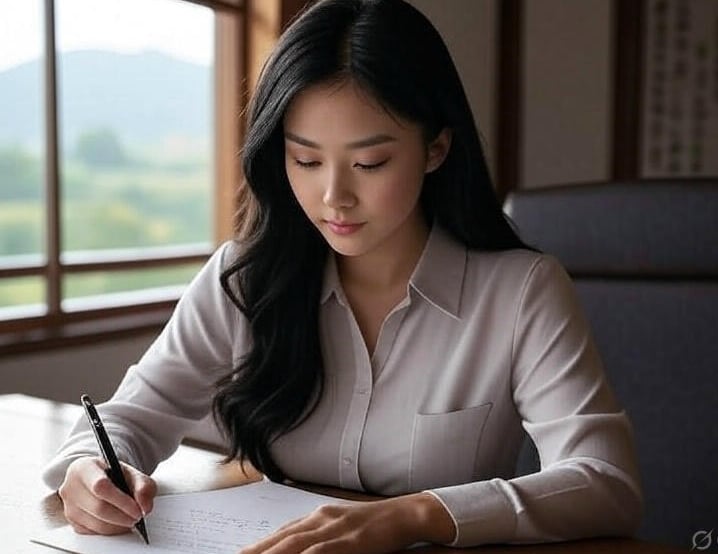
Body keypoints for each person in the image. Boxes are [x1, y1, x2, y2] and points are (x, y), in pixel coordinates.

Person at [44, 0, 643, 551]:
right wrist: (90, 471)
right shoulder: (244, 277)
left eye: (369, 162)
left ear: (435, 148)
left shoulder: (520, 292)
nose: (334, 196)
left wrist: (410, 515)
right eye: (305, 159)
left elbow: (605, 481)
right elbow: (129, 418)